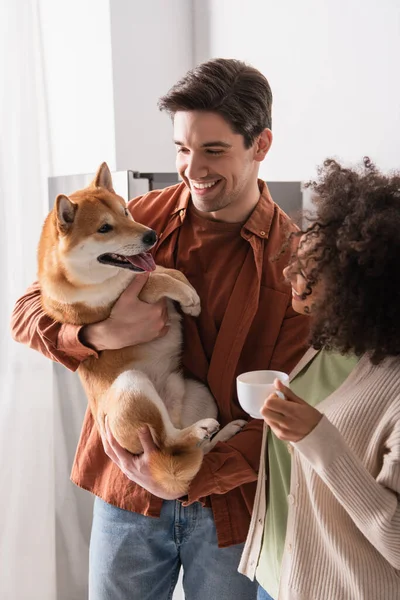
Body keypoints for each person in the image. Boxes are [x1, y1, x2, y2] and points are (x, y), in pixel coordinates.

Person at [11, 58, 309, 600]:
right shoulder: (139, 220)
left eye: (213, 149)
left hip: (229, 506)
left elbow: (295, 409)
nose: (191, 168)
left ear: (260, 144)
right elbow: (27, 313)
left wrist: (197, 472)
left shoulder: (294, 262)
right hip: (125, 494)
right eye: (181, 148)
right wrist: (96, 337)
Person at [240, 158, 400, 600]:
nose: (291, 275)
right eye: (297, 261)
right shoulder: (329, 344)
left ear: (362, 286)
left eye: (311, 271)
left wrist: (319, 439)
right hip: (276, 578)